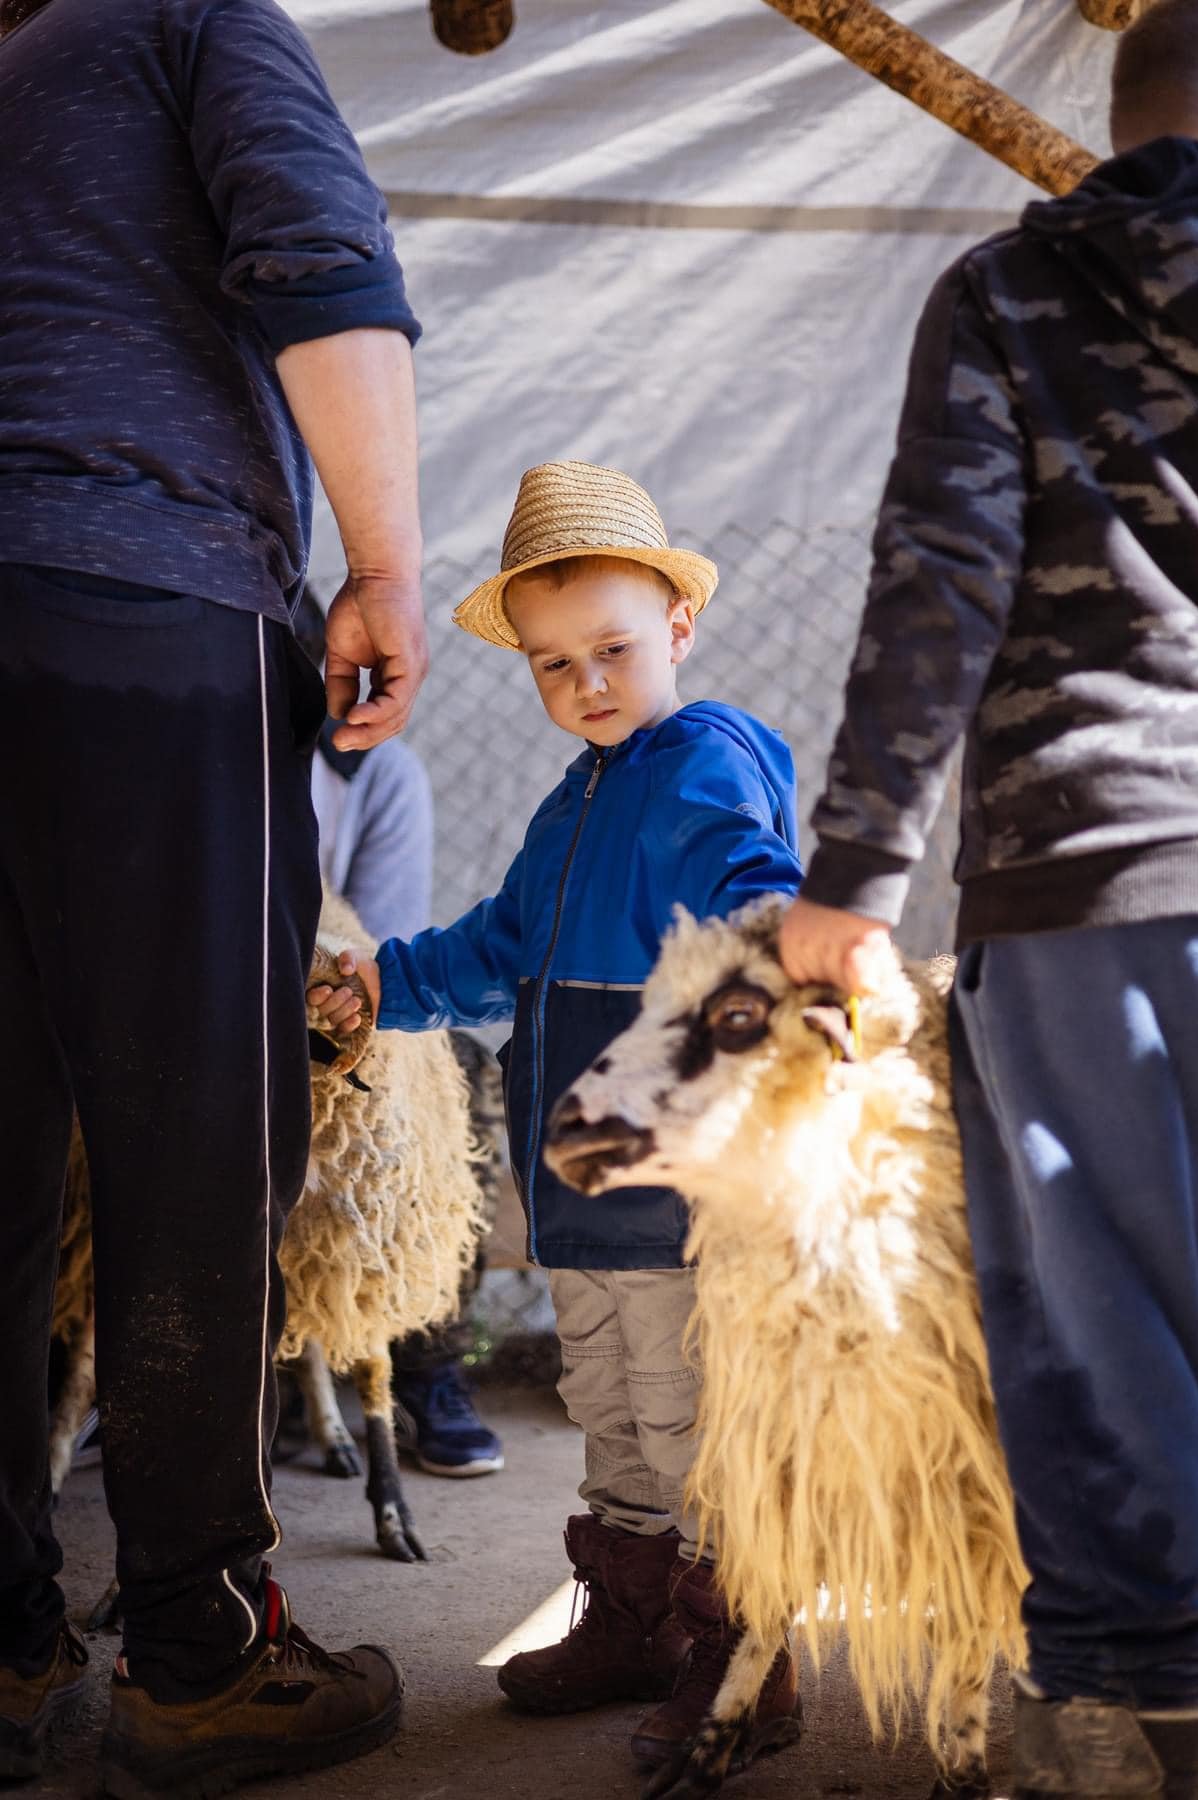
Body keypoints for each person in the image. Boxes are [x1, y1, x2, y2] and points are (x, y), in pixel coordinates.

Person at [0, 0, 428, 1791]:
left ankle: (12, 1656)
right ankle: (199, 1647)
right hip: (142, 601)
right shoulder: (186, 14)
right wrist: (390, 563)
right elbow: (322, 262)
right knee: (194, 1148)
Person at [775, 3, 1198, 1793]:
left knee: (1090, 1287)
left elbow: (940, 580)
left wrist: (853, 878)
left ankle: (1139, 1693)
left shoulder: (1012, 293)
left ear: (1116, 124)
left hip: (1086, 863)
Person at [309, 458, 804, 1773]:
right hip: (581, 1198)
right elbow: (495, 949)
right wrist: (382, 983)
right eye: (550, 663)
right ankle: (635, 1620)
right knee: (612, 1408)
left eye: (612, 650)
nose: (583, 682)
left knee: (691, 1412)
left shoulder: (703, 766)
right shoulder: (569, 804)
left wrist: (774, 935)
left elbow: (758, 885)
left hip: (681, 1192)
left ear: (678, 627)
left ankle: (740, 1654)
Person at [293, 587, 504, 1477]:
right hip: (204, 998)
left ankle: (427, 1356)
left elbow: (378, 940)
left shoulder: (374, 773)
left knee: (464, 1073)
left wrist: (326, 995)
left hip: (328, 994)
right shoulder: (183, 766)